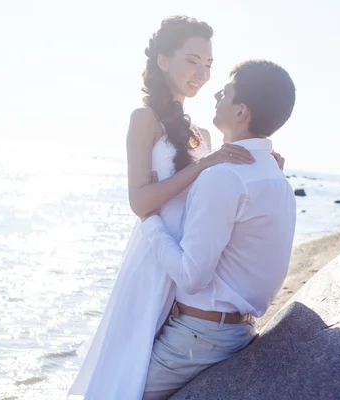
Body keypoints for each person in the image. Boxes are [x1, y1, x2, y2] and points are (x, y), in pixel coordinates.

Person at [68, 16, 284, 399]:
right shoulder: (144, 119)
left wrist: (262, 166)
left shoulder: (201, 133)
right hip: (155, 257)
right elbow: (140, 201)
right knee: (124, 369)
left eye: (208, 65)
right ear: (163, 61)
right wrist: (204, 164)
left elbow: (217, 194)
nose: (201, 73)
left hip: (186, 260)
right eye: (192, 60)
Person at [140, 59, 297, 399]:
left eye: (225, 91)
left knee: (114, 391)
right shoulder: (275, 177)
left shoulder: (225, 176)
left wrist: (150, 220)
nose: (216, 96)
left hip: (199, 338)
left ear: (241, 111)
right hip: (230, 331)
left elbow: (192, 276)